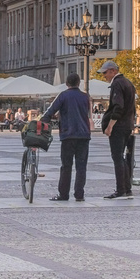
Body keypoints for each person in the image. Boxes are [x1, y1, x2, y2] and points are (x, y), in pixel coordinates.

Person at [42, 71, 91, 202]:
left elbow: (51, 111)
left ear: (67, 84)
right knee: (81, 166)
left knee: (66, 166)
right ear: (79, 83)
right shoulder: (86, 97)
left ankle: (64, 194)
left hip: (68, 134)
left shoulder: (63, 95)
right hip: (84, 135)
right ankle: (79, 195)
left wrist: (42, 122)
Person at [99, 59, 136, 199]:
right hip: (127, 125)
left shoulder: (117, 83)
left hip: (119, 126)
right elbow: (131, 107)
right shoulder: (128, 83)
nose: (104, 76)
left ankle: (121, 190)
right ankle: (127, 188)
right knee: (123, 158)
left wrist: (110, 126)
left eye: (105, 73)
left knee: (117, 158)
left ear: (113, 71)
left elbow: (118, 106)